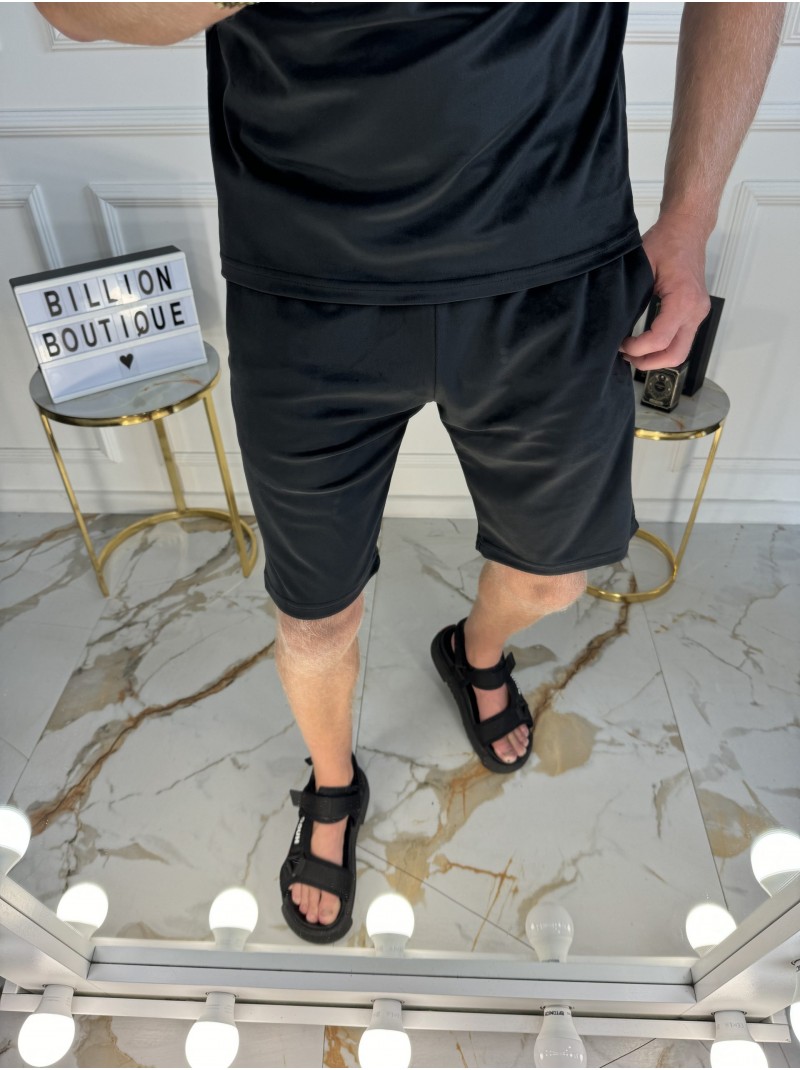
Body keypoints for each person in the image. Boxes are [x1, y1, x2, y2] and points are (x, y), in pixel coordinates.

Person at [36, 1, 786, 944]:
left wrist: (692, 215)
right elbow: (73, 9)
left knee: (555, 576)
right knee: (314, 617)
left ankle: (474, 650)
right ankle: (334, 782)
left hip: (554, 266)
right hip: (305, 279)